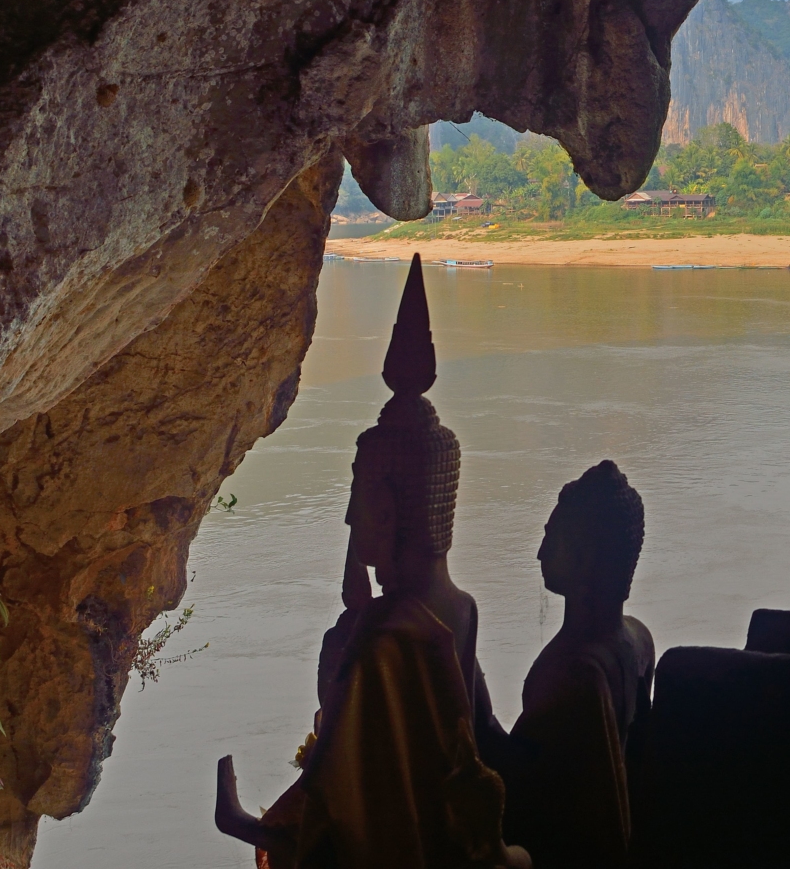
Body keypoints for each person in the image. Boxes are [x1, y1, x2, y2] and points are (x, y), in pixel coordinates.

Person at [215, 255, 529, 869]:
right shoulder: (458, 610)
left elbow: (335, 817)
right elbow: (480, 748)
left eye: (360, 502)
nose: (352, 523)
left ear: (386, 511)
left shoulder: (372, 641)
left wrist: (238, 819)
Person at [498, 461, 654, 869]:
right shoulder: (637, 638)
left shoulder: (570, 674)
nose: (540, 553)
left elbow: (516, 781)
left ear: (585, 556)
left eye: (552, 540)